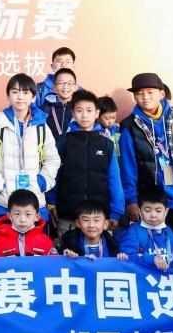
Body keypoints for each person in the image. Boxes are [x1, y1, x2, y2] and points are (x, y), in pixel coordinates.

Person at [118, 72, 173, 231]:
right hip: (150, 202)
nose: (145, 97)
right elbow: (128, 167)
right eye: (139, 93)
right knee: (153, 241)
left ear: (162, 94)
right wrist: (131, 200)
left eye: (150, 92)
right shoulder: (130, 126)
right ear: (134, 96)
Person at [0, 73, 60, 219]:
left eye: (26, 93)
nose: (20, 97)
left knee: (36, 235)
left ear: (33, 97)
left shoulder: (41, 125)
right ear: (8, 96)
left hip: (35, 201)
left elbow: (53, 159)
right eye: (15, 92)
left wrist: (42, 182)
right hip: (4, 201)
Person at [50, 89, 123, 233]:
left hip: (98, 217)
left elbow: (114, 179)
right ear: (73, 113)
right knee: (67, 247)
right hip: (68, 216)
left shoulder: (107, 144)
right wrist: (51, 203)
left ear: (97, 113)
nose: (84, 115)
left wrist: (116, 211)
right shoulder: (63, 141)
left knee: (100, 247)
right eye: (79, 111)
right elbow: (54, 175)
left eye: (89, 110)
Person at [117, 185, 173, 270]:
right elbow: (126, 258)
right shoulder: (133, 232)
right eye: (147, 210)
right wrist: (152, 259)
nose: (153, 215)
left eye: (158, 211)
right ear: (139, 210)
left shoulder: (169, 232)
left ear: (166, 212)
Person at [0, 188, 57, 257]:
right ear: (9, 216)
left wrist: (63, 257)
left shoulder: (45, 241)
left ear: (37, 217)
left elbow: (56, 262)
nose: (22, 220)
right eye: (17, 214)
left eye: (28, 214)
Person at [59, 200, 125, 259]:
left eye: (96, 220)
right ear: (78, 223)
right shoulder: (70, 245)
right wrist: (66, 256)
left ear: (105, 224)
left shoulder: (113, 246)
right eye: (86, 220)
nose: (91, 225)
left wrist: (121, 258)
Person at [43, 68, 78, 138]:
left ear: (75, 87)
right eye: (61, 83)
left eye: (69, 83)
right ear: (54, 87)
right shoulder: (44, 109)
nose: (65, 86)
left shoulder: (80, 109)